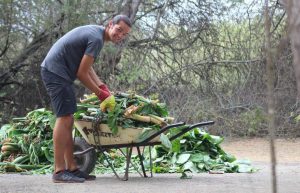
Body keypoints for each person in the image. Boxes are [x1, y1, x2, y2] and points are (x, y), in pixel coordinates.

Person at [40, 15, 132, 183]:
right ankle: (59, 171)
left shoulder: (97, 34)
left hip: (59, 73)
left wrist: (102, 86)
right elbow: (81, 74)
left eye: (124, 34)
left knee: (69, 119)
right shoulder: (96, 39)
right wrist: (100, 93)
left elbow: (87, 68)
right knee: (64, 118)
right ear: (110, 24)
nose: (120, 35)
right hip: (55, 72)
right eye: (119, 30)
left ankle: (72, 169)